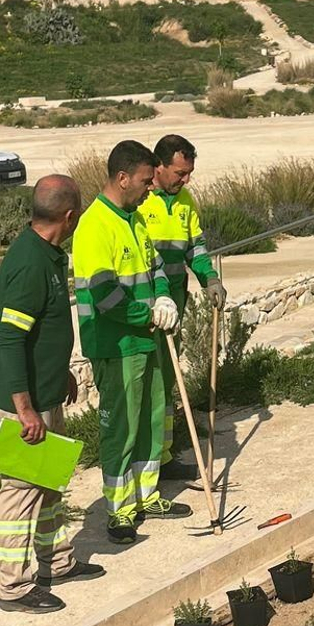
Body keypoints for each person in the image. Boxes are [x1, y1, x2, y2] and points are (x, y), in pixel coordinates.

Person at [0, 176, 105, 612]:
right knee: (20, 491)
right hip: (27, 404)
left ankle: (56, 561)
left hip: (46, 393)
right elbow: (11, 340)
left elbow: (43, 331)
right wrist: (24, 408)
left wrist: (60, 374)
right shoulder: (29, 264)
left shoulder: (49, 255)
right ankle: (15, 588)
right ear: (70, 216)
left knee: (50, 484)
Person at [70, 140, 189, 543]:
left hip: (147, 339)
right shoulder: (94, 226)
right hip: (116, 344)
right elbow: (105, 295)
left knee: (152, 420)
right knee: (121, 427)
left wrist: (164, 297)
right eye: (144, 181)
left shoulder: (135, 219)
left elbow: (155, 268)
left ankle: (147, 495)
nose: (150, 188)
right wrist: (147, 314)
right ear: (122, 178)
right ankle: (119, 509)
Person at [136, 131, 225, 477]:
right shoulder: (140, 200)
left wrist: (210, 279)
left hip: (175, 304)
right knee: (147, 382)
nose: (185, 180)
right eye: (180, 173)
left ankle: (164, 456)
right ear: (158, 167)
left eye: (189, 174)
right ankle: (142, 461)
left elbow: (195, 248)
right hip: (144, 308)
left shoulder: (186, 201)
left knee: (167, 380)